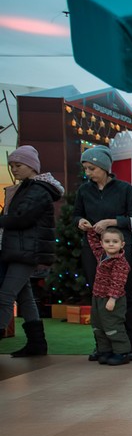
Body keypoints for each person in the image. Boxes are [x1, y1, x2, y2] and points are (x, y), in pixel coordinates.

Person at [74, 144, 132, 359]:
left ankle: (131, 345)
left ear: (104, 167)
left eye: (91, 168)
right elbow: (76, 214)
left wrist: (111, 222)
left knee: (125, 293)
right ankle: (103, 346)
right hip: (93, 249)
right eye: (85, 168)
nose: (88, 173)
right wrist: (81, 221)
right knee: (97, 294)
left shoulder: (125, 189)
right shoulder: (84, 190)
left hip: (121, 249)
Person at [2, 146, 63, 357]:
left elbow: (21, 218)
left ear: (32, 166)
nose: (14, 169)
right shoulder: (28, 188)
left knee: (5, 296)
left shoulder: (38, 190)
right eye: (12, 166)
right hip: (22, 249)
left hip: (26, 251)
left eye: (18, 165)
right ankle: (37, 344)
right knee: (24, 297)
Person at [85, 226, 132, 365]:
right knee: (98, 325)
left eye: (115, 241)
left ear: (122, 244)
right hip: (97, 297)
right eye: (107, 241)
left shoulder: (120, 263)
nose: (111, 244)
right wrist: (90, 230)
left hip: (112, 300)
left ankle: (122, 352)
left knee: (112, 326)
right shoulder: (101, 255)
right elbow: (93, 243)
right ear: (102, 243)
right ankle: (105, 350)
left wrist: (112, 299)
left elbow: (118, 282)